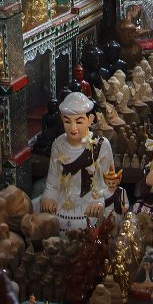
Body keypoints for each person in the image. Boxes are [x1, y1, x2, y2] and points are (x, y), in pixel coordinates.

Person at [38, 91, 113, 230]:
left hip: (90, 199)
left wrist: (98, 199)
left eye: (79, 121)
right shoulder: (58, 144)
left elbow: (107, 182)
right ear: (61, 119)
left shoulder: (101, 145)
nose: (73, 127)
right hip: (64, 200)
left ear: (90, 120)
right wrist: (50, 196)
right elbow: (53, 180)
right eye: (67, 121)